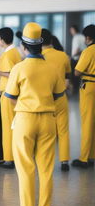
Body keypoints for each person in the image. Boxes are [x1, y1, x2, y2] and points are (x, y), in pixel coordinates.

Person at [5, 22, 65, 206]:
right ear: (41, 44)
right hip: (48, 119)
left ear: (23, 46)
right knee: (46, 170)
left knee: (26, 169)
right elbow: (59, 97)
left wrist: (24, 105)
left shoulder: (19, 68)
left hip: (25, 119)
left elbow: (10, 97)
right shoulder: (53, 68)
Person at [0, 27, 21, 169]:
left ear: (1, 39)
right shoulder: (15, 52)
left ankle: (9, 158)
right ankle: (12, 156)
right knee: (13, 126)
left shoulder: (8, 55)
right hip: (13, 93)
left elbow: (10, 74)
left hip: (8, 93)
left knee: (8, 127)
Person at [41, 29, 71, 171]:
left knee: (46, 132)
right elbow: (67, 77)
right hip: (61, 97)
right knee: (63, 130)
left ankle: (46, 160)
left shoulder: (39, 58)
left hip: (44, 100)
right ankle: (64, 161)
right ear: (51, 40)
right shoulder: (63, 55)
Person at [72, 24, 95, 168]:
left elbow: (77, 72)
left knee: (87, 122)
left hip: (89, 87)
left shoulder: (88, 52)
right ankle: (92, 155)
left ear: (88, 38)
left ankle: (84, 158)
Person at [70, 25, 86, 92]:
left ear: (74, 30)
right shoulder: (82, 36)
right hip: (82, 58)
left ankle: (75, 90)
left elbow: (77, 48)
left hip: (76, 59)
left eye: (71, 30)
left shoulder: (76, 37)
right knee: (81, 76)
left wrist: (72, 56)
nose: (70, 31)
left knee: (74, 76)